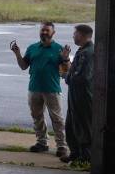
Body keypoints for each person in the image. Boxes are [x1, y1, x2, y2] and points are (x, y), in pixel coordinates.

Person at [10, 22, 67, 158]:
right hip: (34, 88)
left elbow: (65, 73)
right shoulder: (32, 48)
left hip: (52, 89)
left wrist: (65, 59)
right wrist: (17, 53)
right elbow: (24, 66)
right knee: (37, 117)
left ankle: (62, 146)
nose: (44, 32)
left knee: (57, 119)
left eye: (47, 30)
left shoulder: (59, 49)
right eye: (42, 30)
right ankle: (42, 143)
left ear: (53, 33)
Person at [60, 24, 94, 163]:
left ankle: (85, 158)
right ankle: (75, 153)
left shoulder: (87, 53)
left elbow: (81, 76)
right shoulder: (83, 50)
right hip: (76, 95)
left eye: (75, 33)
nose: (73, 36)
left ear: (81, 35)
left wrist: (66, 76)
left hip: (82, 96)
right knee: (71, 125)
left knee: (82, 127)